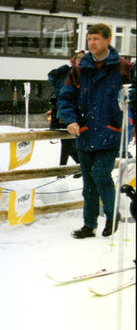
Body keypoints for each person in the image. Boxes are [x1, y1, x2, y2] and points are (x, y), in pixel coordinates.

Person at [58, 23, 133, 239]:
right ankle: (89, 225)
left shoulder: (123, 67)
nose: (92, 43)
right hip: (85, 131)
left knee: (100, 174)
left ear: (108, 40)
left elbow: (134, 98)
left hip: (111, 133)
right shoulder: (79, 68)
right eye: (89, 39)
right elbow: (66, 96)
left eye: (96, 39)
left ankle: (112, 215)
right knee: (88, 184)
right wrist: (70, 120)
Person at [48, 51, 85, 167]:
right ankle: (75, 167)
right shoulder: (69, 74)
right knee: (68, 142)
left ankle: (72, 167)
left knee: (68, 142)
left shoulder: (75, 74)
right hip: (67, 113)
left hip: (69, 113)